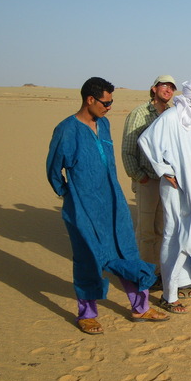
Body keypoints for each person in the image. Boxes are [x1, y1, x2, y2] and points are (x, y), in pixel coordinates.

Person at [47, 77, 168, 334]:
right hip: (83, 208)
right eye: (106, 102)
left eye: (111, 102)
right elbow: (53, 170)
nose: (109, 107)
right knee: (88, 257)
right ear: (90, 100)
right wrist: (69, 195)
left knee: (127, 252)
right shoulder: (66, 130)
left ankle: (141, 306)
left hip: (113, 203)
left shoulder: (104, 124)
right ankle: (87, 314)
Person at [138, 79, 191, 313]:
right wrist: (165, 170)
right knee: (176, 235)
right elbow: (146, 141)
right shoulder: (172, 117)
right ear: (190, 97)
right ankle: (169, 295)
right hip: (177, 187)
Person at [121, 75, 176, 278]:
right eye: (164, 86)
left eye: (171, 88)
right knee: (146, 232)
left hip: (167, 181)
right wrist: (138, 176)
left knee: (162, 228)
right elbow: (128, 148)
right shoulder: (140, 113)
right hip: (147, 179)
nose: (168, 90)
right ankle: (144, 275)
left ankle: (159, 272)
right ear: (154, 89)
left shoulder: (171, 114)